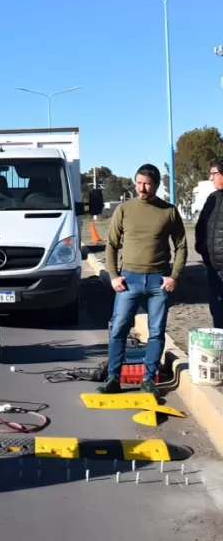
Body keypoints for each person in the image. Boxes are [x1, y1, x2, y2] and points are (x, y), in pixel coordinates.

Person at [97, 163, 187, 395]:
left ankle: (149, 379)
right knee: (118, 329)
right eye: (138, 183)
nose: (142, 188)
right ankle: (113, 378)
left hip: (159, 281)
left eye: (147, 184)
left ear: (156, 185)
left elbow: (181, 246)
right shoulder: (124, 210)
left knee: (157, 332)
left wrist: (174, 276)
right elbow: (112, 245)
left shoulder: (169, 211)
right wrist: (114, 276)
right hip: (129, 280)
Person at [195, 157, 223, 327]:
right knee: (217, 313)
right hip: (213, 269)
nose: (211, 178)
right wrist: (202, 248)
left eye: (215, 173)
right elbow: (201, 226)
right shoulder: (212, 199)